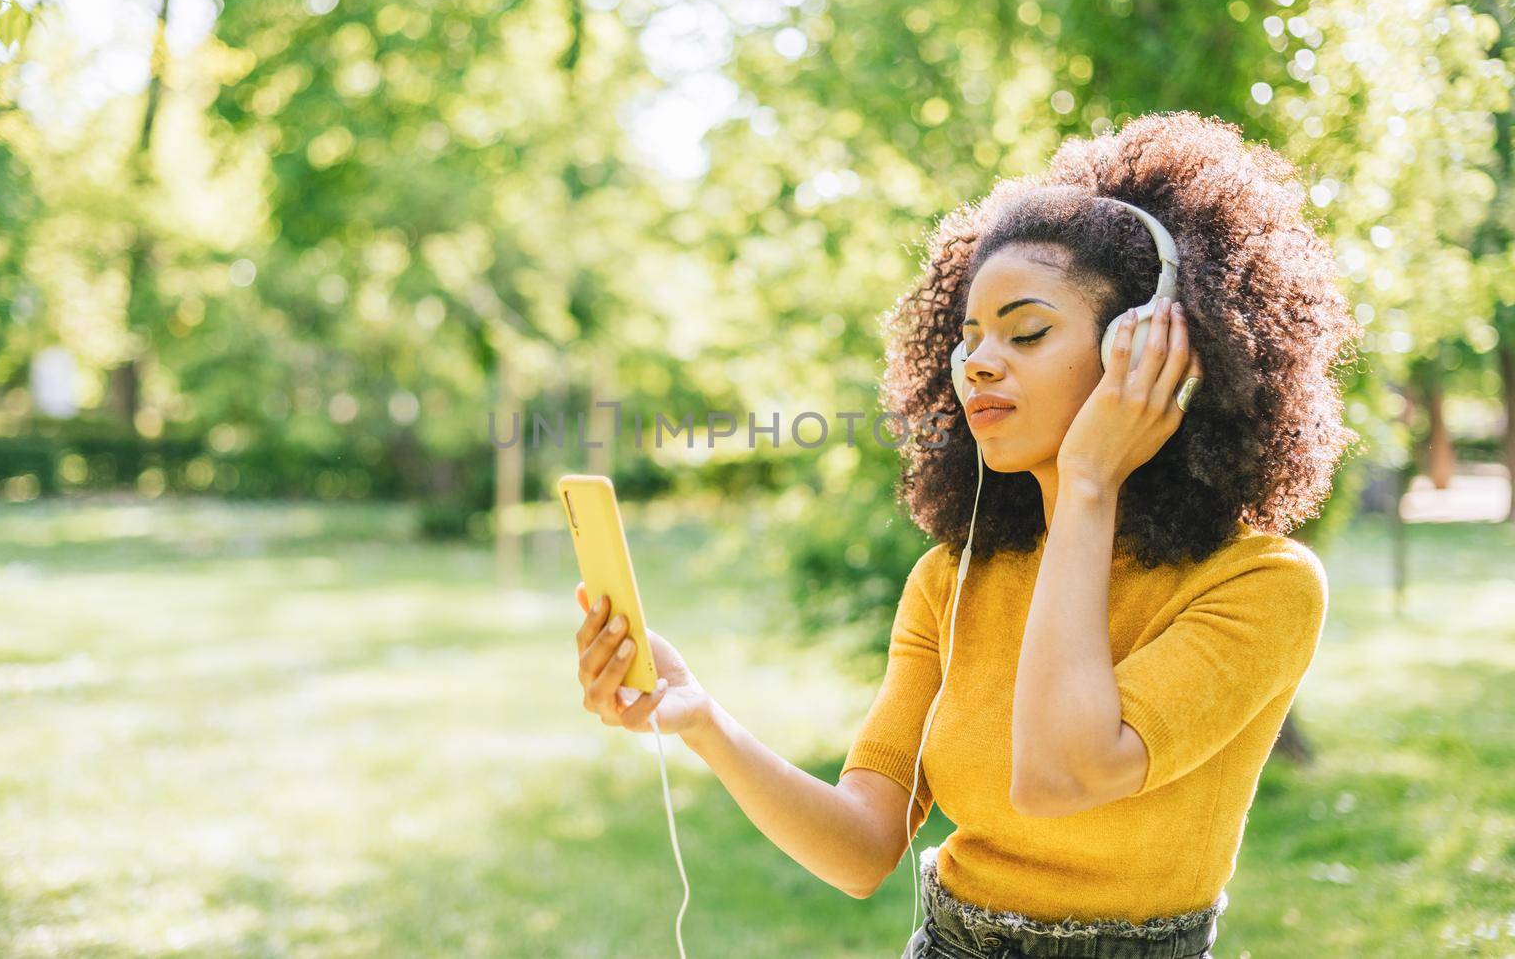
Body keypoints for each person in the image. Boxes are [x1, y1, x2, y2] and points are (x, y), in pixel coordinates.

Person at [571, 111, 1361, 958]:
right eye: (967, 339)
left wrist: (1090, 484)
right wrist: (701, 721)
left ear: (1151, 350)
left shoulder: (1263, 583)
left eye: (1025, 333)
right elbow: (863, 848)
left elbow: (1062, 774)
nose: (978, 363)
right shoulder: (952, 583)